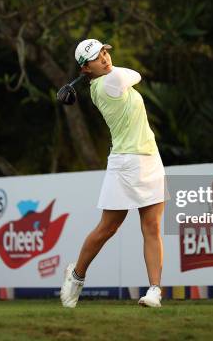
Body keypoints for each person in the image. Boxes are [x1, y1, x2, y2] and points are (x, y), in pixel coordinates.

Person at [60, 39, 166, 308]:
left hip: (150, 158)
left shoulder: (102, 79)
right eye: (97, 57)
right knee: (108, 227)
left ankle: (154, 290)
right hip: (124, 163)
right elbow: (136, 74)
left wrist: (94, 70)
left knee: (151, 227)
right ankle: (76, 275)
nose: (105, 58)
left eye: (105, 52)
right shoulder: (109, 83)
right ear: (86, 69)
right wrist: (104, 71)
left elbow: (131, 76)